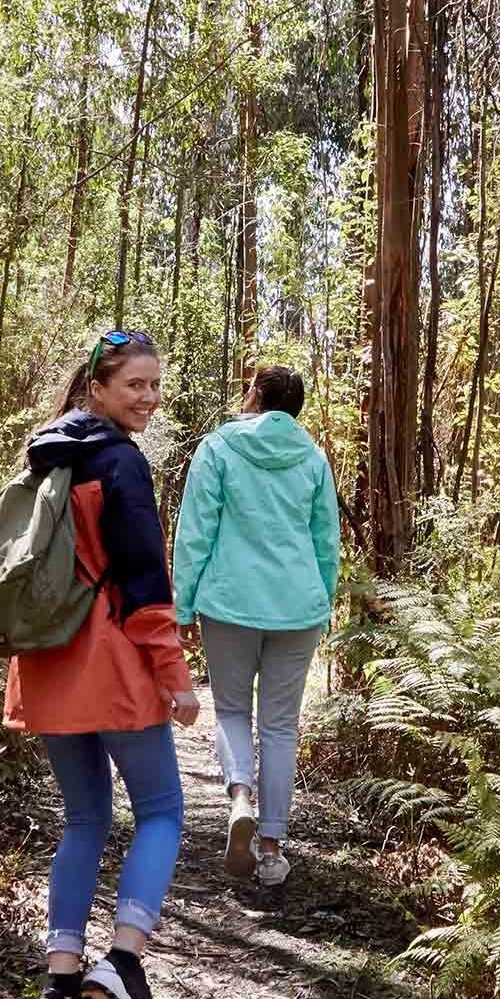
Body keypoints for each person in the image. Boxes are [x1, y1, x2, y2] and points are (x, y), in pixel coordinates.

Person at [8, 329, 200, 999]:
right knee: (161, 811)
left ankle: (58, 992)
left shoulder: (45, 453)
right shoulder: (119, 462)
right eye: (135, 386)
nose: (148, 398)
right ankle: (121, 961)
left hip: (49, 663)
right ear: (98, 389)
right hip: (112, 662)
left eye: (155, 385)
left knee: (84, 818)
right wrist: (174, 676)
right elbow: (145, 580)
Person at [171, 365, 340, 887]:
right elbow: (325, 541)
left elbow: (195, 529)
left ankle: (239, 794)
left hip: (230, 602)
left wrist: (182, 607)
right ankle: (271, 847)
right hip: (298, 607)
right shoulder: (312, 458)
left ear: (254, 397)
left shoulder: (218, 448)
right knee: (281, 726)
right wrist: (324, 600)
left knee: (232, 709)